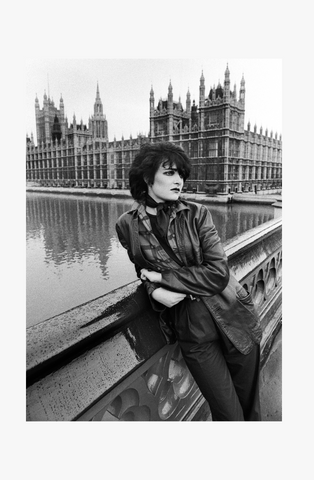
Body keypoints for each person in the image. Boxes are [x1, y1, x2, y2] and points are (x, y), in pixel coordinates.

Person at [116, 141, 262, 421]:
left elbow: (218, 273)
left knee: (249, 408)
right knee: (228, 415)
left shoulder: (196, 214)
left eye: (181, 174)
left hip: (234, 315)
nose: (178, 180)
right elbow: (142, 269)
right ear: (147, 178)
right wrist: (154, 292)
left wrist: (164, 278)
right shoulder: (126, 225)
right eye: (169, 173)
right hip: (192, 331)